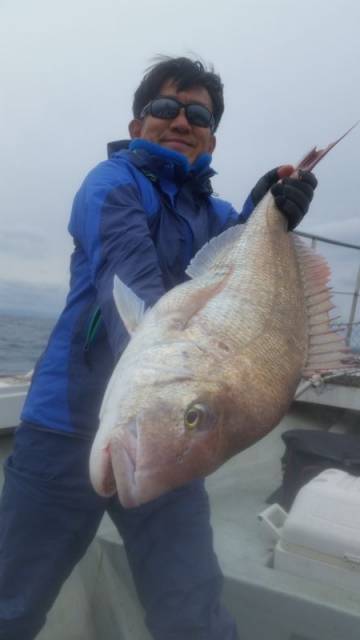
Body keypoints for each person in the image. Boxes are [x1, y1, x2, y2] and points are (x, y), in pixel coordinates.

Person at [0, 56, 317, 640]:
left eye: (197, 113)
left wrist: (268, 213)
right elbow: (136, 291)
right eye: (165, 108)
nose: (181, 120)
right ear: (136, 123)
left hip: (171, 436)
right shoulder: (111, 184)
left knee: (192, 616)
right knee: (12, 606)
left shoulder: (215, 214)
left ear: (212, 137)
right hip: (66, 429)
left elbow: (234, 277)